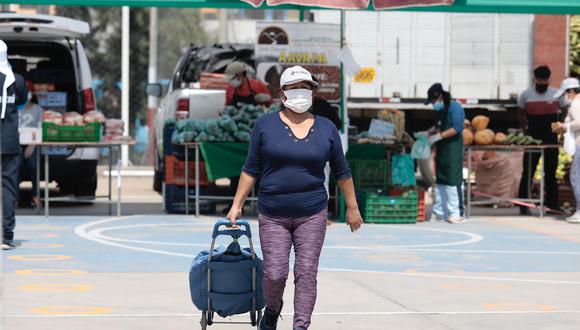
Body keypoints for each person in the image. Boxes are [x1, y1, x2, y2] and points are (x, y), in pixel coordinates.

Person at [226, 66, 363, 330]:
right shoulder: (265, 125)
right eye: (295, 87)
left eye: (306, 87)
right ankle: (273, 310)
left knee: (306, 273)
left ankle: (301, 326)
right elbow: (250, 169)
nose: (301, 92)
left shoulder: (327, 128)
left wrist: (352, 207)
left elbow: (342, 171)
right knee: (275, 274)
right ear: (282, 93)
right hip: (273, 213)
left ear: (312, 92)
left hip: (312, 213)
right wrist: (236, 205)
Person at [518, 66, 567, 215]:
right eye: (539, 80)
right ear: (534, 80)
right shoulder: (526, 95)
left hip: (551, 137)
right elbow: (521, 113)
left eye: (545, 80)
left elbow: (565, 110)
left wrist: (560, 127)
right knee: (528, 171)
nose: (542, 82)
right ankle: (523, 204)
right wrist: (524, 131)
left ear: (549, 80)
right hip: (532, 137)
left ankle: (552, 205)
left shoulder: (556, 94)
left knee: (550, 172)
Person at [422, 83, 465, 224]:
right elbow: (437, 126)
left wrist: (439, 136)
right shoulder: (442, 110)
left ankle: (456, 212)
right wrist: (427, 133)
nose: (433, 104)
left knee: (453, 180)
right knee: (440, 180)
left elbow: (457, 127)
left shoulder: (455, 107)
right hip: (442, 149)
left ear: (440, 96)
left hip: (453, 148)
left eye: (433, 101)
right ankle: (439, 211)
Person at [1, 40, 28, 250]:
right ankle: (6, 236)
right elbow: (22, 101)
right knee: (8, 186)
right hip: (9, 140)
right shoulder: (16, 80)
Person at [552, 77, 580, 222]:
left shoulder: (576, 103)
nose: (564, 98)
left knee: (576, 177)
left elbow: (579, 122)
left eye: (565, 94)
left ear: (570, 91)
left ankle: (579, 211)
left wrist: (564, 126)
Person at [18, 93, 43, 208]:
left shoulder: (38, 110)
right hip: (15, 144)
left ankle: (35, 196)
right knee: (15, 168)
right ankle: (14, 198)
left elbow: (40, 129)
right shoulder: (13, 108)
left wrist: (32, 146)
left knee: (33, 166)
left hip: (32, 144)